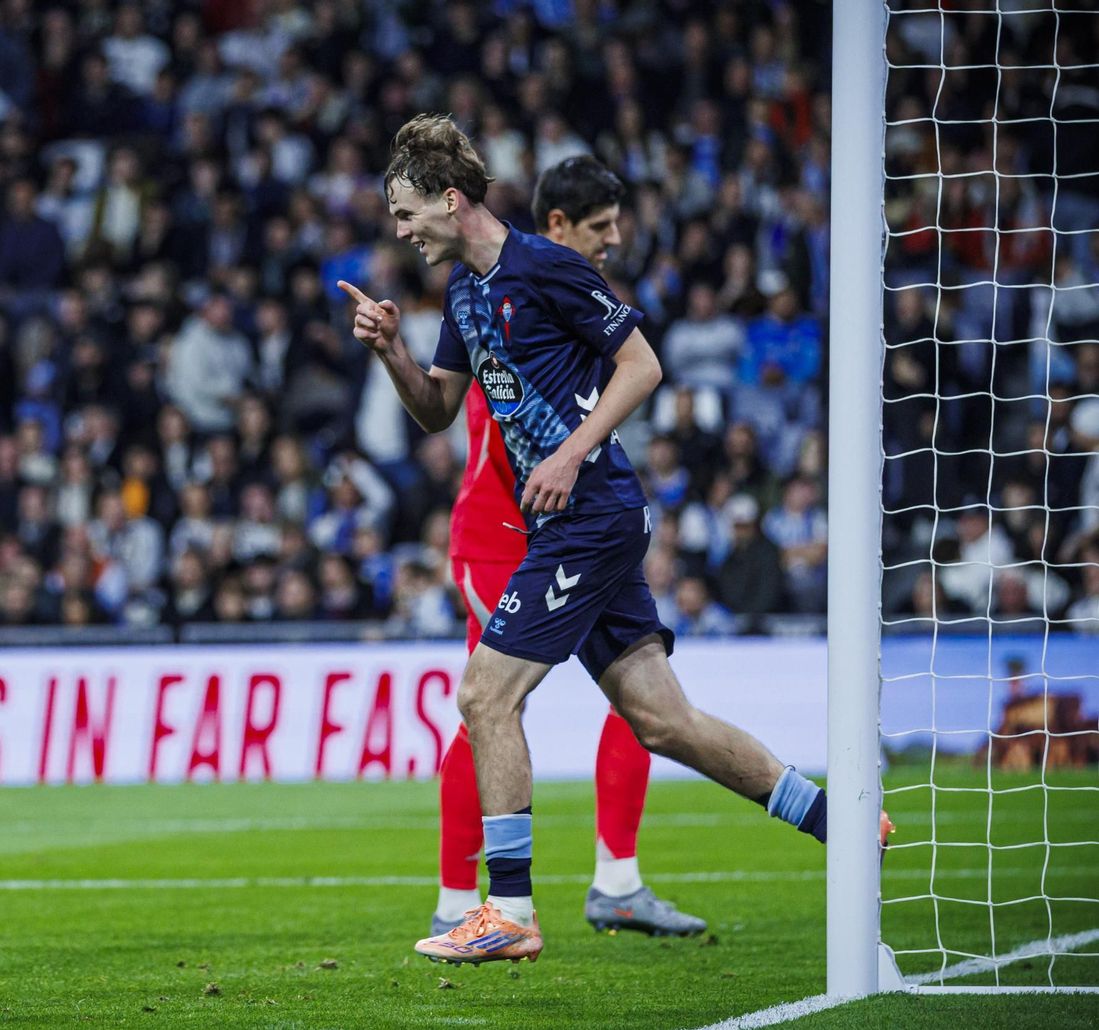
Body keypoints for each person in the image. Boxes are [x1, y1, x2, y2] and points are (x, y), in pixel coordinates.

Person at [342, 116, 889, 966]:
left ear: (451, 201)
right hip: (572, 523)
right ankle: (839, 823)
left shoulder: (549, 266)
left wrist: (566, 452)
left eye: (407, 212)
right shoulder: (462, 294)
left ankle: (511, 912)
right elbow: (437, 411)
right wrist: (390, 353)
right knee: (663, 721)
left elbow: (643, 365)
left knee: (486, 696)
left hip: (590, 514)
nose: (402, 230)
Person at [432, 156, 704, 940]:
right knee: (485, 702)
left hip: (574, 527)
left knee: (640, 694)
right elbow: (477, 416)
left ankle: (617, 879)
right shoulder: (494, 295)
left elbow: (618, 383)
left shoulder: (568, 299)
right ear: (556, 227)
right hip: (499, 535)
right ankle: (460, 900)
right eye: (599, 229)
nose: (615, 243)